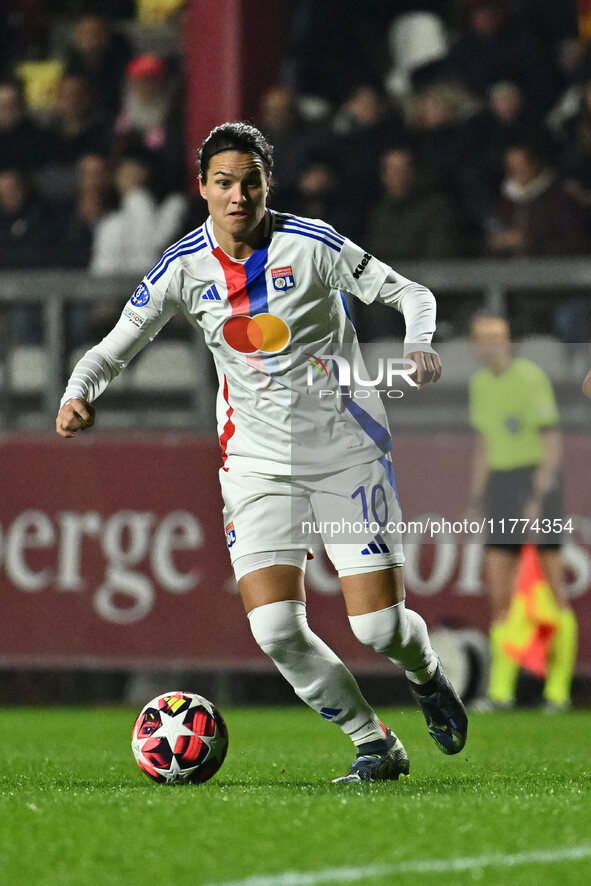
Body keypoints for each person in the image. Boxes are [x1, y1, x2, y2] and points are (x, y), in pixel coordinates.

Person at [56, 122, 467, 783]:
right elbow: (112, 348)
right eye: (224, 183)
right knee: (275, 629)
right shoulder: (182, 269)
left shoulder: (313, 245)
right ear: (202, 189)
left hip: (346, 448)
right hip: (255, 462)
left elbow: (408, 292)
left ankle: (425, 676)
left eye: (250, 182)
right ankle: (374, 744)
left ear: (266, 183)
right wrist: (79, 390)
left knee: (378, 631)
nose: (238, 195)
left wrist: (418, 342)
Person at [467, 315, 577, 710]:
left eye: (498, 337)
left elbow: (552, 439)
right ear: (475, 346)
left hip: (537, 481)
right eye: (484, 339)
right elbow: (484, 442)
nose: (492, 345)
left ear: (509, 341)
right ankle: (501, 691)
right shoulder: (480, 386)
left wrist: (538, 494)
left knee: (554, 588)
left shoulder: (529, 378)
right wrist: (476, 498)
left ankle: (558, 692)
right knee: (500, 594)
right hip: (501, 486)